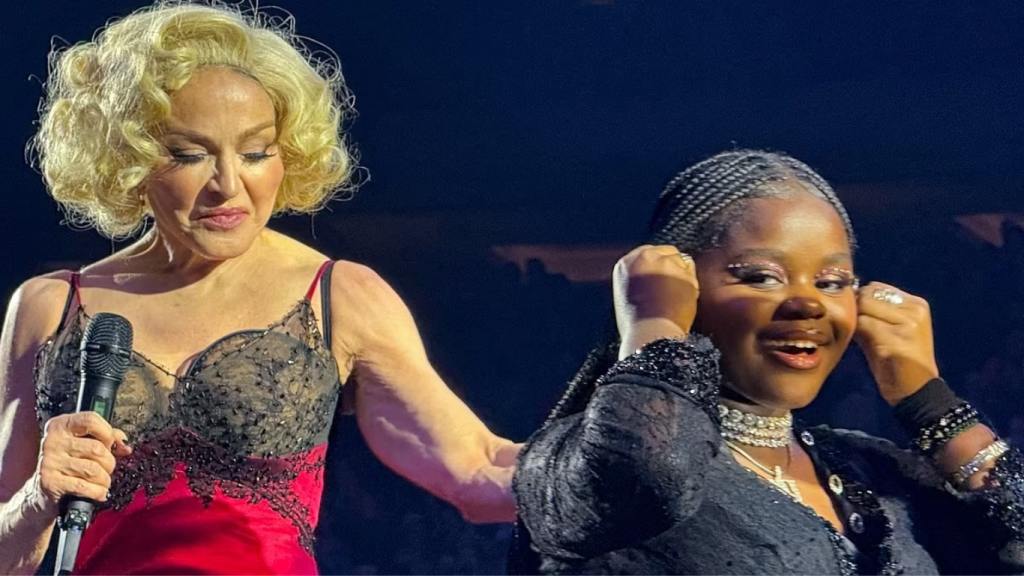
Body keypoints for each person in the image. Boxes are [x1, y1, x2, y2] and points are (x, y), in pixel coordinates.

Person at [0, 2, 519, 574]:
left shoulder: (340, 296)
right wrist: (35, 502)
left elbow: (478, 470)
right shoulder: (48, 306)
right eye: (189, 154)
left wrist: (625, 428)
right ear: (129, 157)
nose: (229, 185)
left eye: (255, 152)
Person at [510, 149, 1024, 575]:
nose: (808, 303)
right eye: (760, 276)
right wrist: (653, 330)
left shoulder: (871, 469)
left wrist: (929, 403)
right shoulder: (568, 465)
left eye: (832, 282)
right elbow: (647, 479)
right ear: (682, 288)